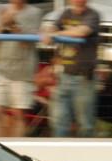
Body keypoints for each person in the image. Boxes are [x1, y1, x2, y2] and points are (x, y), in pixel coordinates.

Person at [43, 0, 100, 137]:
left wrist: (55, 34)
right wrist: (49, 32)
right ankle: (60, 152)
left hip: (84, 77)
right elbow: (53, 27)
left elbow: (82, 31)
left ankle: (87, 154)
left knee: (85, 123)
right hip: (64, 75)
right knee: (59, 120)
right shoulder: (65, 13)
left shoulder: (92, 15)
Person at [0, 0, 41, 137]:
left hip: (22, 72)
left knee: (18, 114)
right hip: (0, 69)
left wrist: (13, 23)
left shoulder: (34, 12)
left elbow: (27, 43)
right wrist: (1, 23)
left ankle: (17, 148)